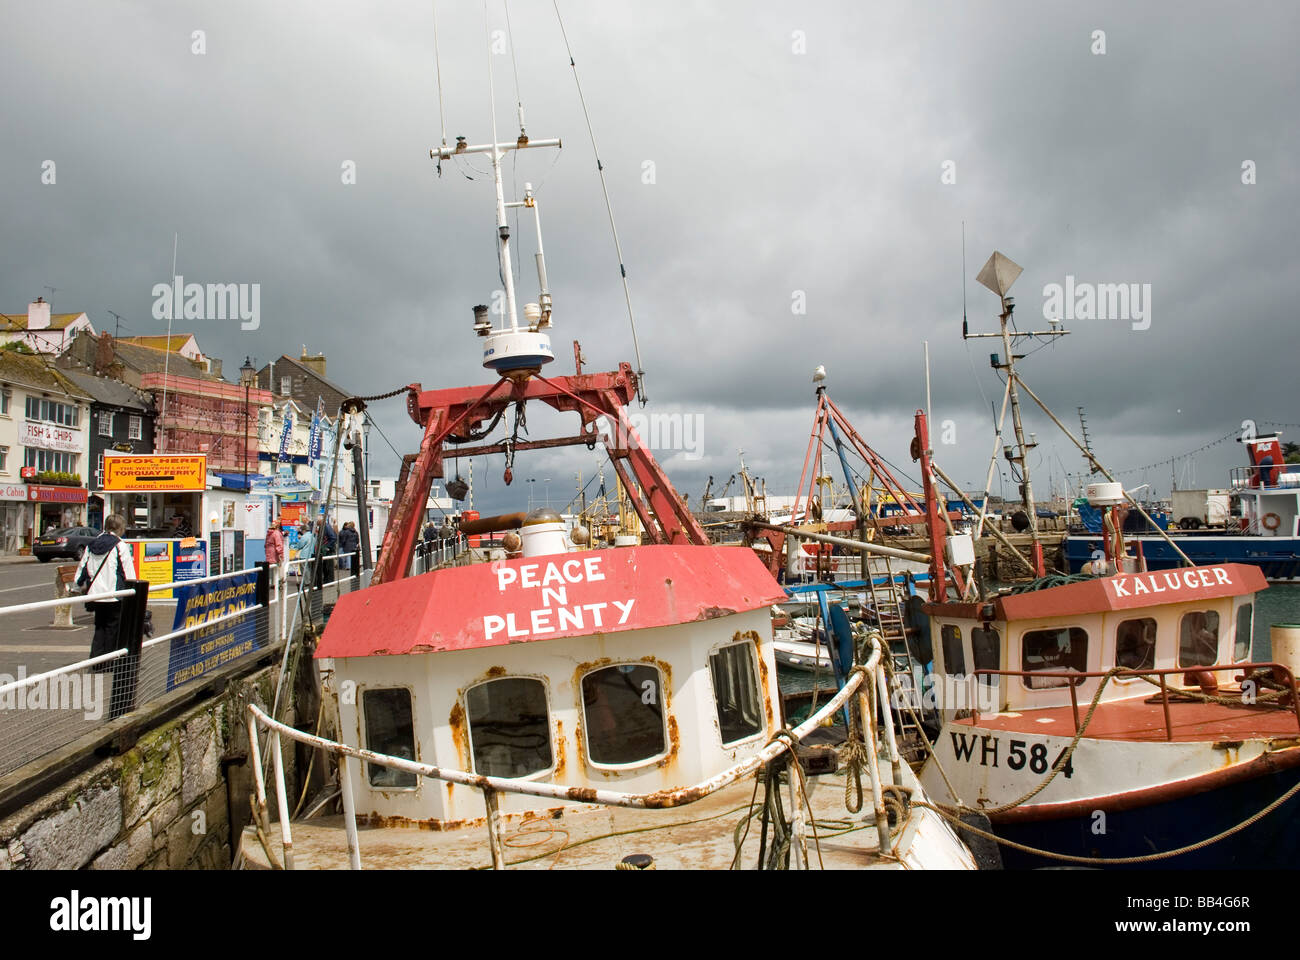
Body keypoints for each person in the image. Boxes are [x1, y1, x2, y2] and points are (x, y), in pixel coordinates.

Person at [73, 514, 137, 665]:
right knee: (113, 628)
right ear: (121, 527)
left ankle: (96, 661)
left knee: (99, 626)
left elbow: (82, 568)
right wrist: (133, 591)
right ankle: (109, 661)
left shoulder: (91, 545)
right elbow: (128, 572)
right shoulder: (120, 545)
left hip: (96, 594)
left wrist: (77, 586)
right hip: (114, 593)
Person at [321, 518, 338, 584]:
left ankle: (330, 580)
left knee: (329, 565)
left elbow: (333, 537)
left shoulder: (327, 527)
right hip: (327, 548)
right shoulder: (326, 526)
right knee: (326, 565)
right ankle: (327, 579)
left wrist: (327, 546)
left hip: (328, 550)